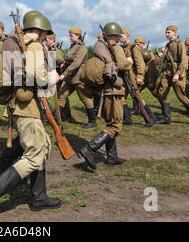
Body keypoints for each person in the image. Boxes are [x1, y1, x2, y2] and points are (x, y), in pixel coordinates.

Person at [0, 12, 61, 222]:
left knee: (41, 147)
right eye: (44, 33)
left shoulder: (22, 43)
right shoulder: (34, 46)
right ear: (40, 30)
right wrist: (52, 77)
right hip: (27, 107)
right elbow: (39, 78)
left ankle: (39, 197)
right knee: (36, 152)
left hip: (23, 105)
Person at [79, 22, 132, 170]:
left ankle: (112, 156)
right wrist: (129, 62)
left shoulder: (100, 48)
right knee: (115, 126)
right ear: (115, 35)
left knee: (110, 123)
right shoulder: (116, 48)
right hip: (114, 91)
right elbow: (122, 65)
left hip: (105, 90)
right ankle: (90, 148)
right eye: (119, 35)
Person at [155, 25, 189, 126]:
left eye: (169, 32)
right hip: (167, 71)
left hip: (177, 71)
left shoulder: (180, 44)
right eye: (166, 33)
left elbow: (184, 61)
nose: (167, 34)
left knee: (181, 96)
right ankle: (166, 118)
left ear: (175, 33)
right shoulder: (168, 44)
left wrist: (177, 74)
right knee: (162, 94)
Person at [120, 29, 154, 126]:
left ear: (127, 36)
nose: (119, 37)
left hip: (132, 77)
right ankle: (127, 119)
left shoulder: (133, 47)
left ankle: (150, 117)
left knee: (137, 98)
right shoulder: (122, 48)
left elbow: (140, 63)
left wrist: (140, 76)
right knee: (121, 97)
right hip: (124, 76)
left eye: (121, 35)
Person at [57, 28, 89, 125]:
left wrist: (64, 74)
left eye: (71, 35)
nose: (69, 37)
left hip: (78, 77)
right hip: (70, 77)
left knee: (84, 99)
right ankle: (57, 118)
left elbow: (76, 63)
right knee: (62, 95)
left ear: (78, 36)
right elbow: (70, 60)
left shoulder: (82, 48)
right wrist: (65, 64)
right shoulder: (73, 46)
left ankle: (92, 121)